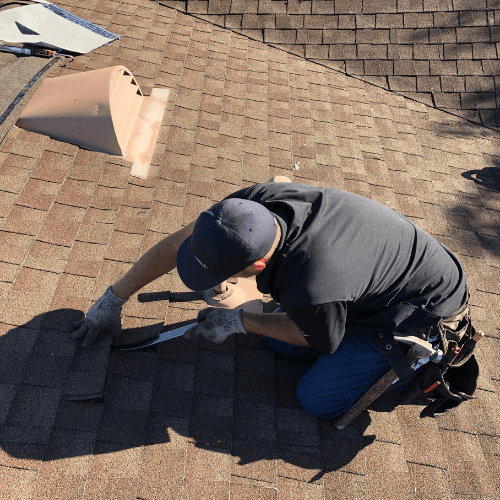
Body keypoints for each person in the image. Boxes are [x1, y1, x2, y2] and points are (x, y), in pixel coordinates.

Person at [72, 181, 476, 419]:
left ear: (261, 261)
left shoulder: (314, 282)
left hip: (417, 313)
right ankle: (338, 319)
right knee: (275, 338)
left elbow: (322, 340)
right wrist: (114, 298)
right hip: (370, 278)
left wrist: (239, 322)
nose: (215, 284)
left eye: (225, 274)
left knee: (316, 400)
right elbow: (179, 242)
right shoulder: (246, 210)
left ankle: (412, 371)